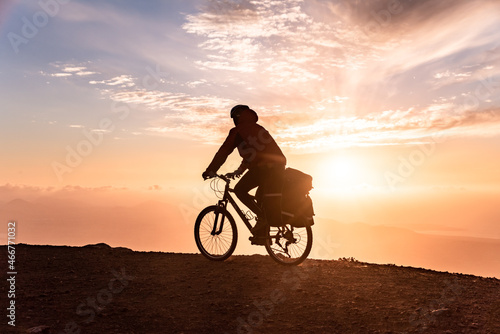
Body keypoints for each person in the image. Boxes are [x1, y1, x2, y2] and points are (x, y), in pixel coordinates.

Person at [202, 105, 287, 245]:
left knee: (239, 190)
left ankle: (262, 218)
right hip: (277, 167)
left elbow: (223, 152)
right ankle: (262, 236)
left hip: (266, 168)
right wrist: (239, 171)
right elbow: (253, 154)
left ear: (236, 117)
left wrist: (210, 170)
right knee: (261, 198)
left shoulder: (238, 131)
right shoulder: (258, 129)